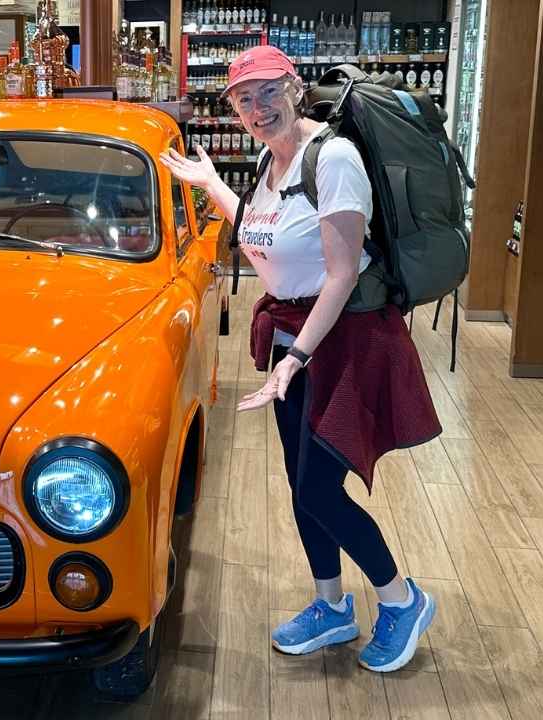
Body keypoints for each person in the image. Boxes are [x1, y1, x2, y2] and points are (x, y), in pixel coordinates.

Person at [160, 46, 441, 673]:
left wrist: (297, 358)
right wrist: (211, 186)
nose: (257, 109)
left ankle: (402, 599)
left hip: (345, 342)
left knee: (319, 486)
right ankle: (331, 605)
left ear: (293, 87)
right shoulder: (269, 160)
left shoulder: (333, 157)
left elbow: (340, 275)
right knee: (300, 483)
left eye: (266, 92)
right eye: (243, 98)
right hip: (296, 338)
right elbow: (268, 246)